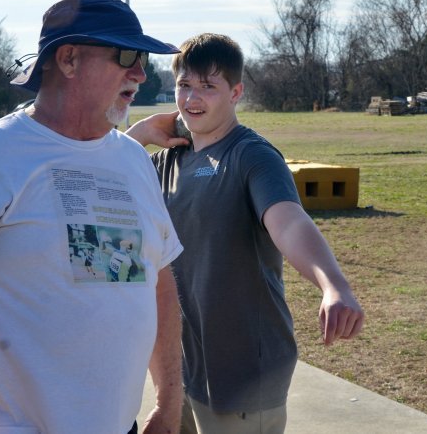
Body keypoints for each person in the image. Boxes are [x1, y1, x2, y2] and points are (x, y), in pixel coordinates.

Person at [0, 0, 185, 434]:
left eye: (142, 59)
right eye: (126, 56)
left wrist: (168, 401)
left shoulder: (133, 160)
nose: (141, 73)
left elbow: (158, 284)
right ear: (68, 59)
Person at [127, 33, 365, 434]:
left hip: (243, 372)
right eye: (185, 85)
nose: (192, 98)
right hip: (181, 368)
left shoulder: (251, 155)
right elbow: (98, 178)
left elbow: (287, 220)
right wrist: (140, 134)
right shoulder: (166, 158)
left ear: (235, 92)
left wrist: (333, 285)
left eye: (208, 86)